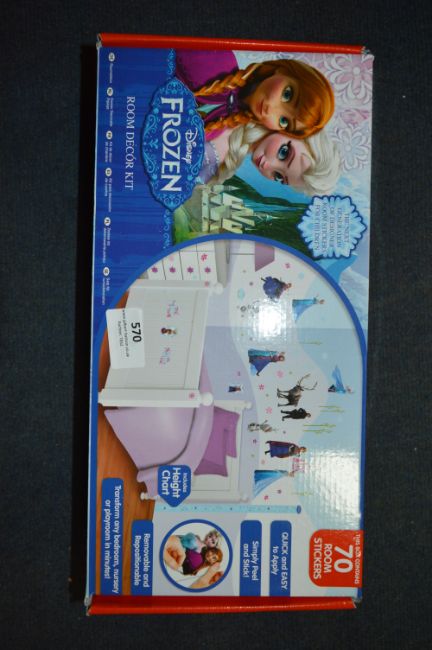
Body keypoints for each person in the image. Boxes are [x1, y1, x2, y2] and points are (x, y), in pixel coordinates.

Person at [176, 50, 334, 138]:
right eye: (287, 95)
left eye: (284, 121)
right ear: (284, 71)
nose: (271, 110)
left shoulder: (220, 127)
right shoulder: (221, 60)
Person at [198, 123, 341, 195]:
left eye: (278, 176)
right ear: (293, 129)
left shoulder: (228, 159)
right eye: (284, 153)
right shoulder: (221, 146)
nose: (266, 166)